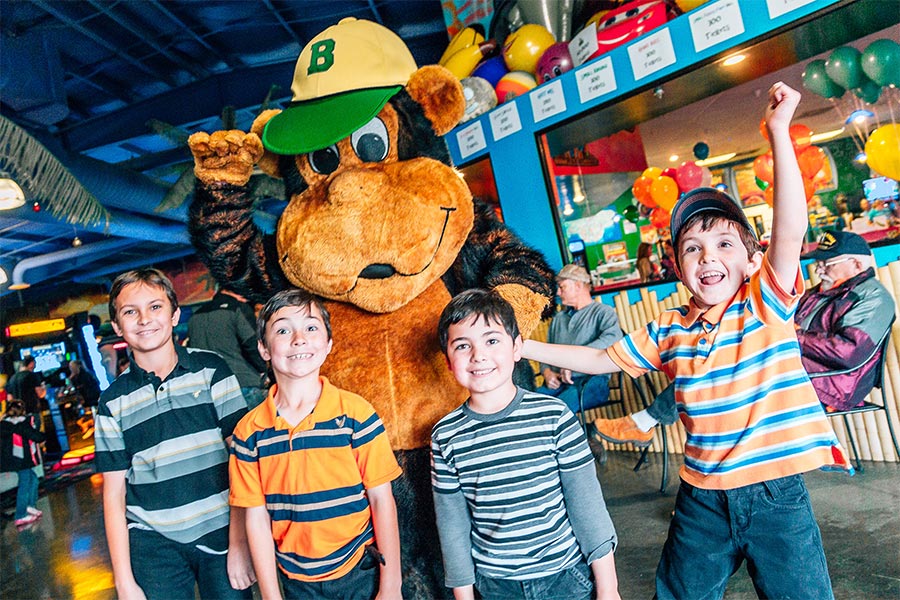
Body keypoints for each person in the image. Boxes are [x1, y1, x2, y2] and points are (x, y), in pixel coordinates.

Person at [522, 83, 849, 599]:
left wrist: (779, 133)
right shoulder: (667, 328)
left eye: (724, 244)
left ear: (750, 259)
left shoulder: (764, 301)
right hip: (701, 498)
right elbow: (600, 358)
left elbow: (789, 231)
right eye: (692, 249)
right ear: (678, 267)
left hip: (774, 494)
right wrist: (523, 348)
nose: (708, 258)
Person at [592, 229, 897, 443]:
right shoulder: (821, 292)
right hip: (793, 368)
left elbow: (848, 353)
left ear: (857, 264)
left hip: (834, 382)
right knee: (717, 365)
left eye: (826, 264)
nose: (818, 270)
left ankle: (652, 429)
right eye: (818, 263)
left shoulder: (874, 298)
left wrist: (791, 336)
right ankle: (707, 489)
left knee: (723, 380)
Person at [432, 289, 620, 600]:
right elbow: (452, 524)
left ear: (517, 347)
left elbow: (587, 507)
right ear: (448, 361)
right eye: (463, 345)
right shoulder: (445, 435)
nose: (478, 355)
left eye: (492, 341)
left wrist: (609, 589)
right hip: (496, 586)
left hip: (565, 578)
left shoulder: (554, 416)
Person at [229, 288, 402, 600]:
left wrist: (392, 585)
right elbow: (255, 518)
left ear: (328, 344)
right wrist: (271, 596)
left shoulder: (357, 414)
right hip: (296, 581)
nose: (298, 338)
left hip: (359, 571)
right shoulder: (249, 432)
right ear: (264, 349)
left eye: (311, 327)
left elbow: (381, 500)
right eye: (282, 330)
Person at [93, 268, 255, 600]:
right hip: (153, 545)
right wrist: (124, 582)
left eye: (155, 307)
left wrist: (241, 543)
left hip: (222, 532)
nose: (144, 319)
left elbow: (242, 463)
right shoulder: (111, 401)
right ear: (117, 327)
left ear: (174, 314)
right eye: (130, 312)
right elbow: (113, 494)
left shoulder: (212, 371)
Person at [535, 264, 622, 415]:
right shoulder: (558, 318)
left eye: (562, 287)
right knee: (527, 407)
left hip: (591, 382)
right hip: (559, 382)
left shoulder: (603, 312)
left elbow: (613, 339)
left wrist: (573, 364)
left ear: (578, 286)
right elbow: (546, 351)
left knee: (556, 412)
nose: (558, 292)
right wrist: (547, 372)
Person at [189, 287, 268, 409]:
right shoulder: (237, 308)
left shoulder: (195, 316)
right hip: (243, 382)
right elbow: (251, 344)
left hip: (211, 389)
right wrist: (263, 369)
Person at [1, 400, 45, 528]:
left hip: (12, 461)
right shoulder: (22, 424)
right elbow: (37, 436)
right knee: (25, 485)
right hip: (22, 461)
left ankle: (29, 506)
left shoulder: (4, 425)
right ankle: (20, 515)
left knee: (34, 480)